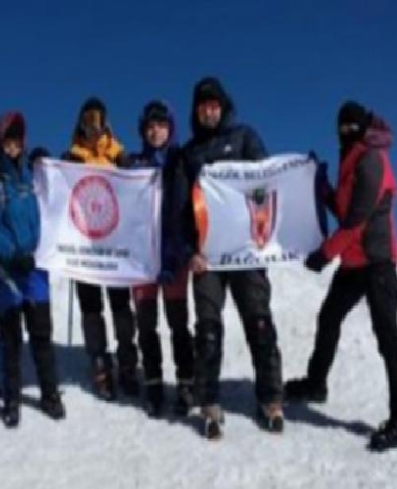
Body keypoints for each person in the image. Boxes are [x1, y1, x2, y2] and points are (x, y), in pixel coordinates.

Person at [285, 101, 397, 452]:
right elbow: (344, 210)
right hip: (354, 263)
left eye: (351, 126)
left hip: (377, 261)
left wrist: (324, 254)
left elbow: (357, 219)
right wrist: (324, 189)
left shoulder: (371, 159)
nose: (345, 131)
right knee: (329, 317)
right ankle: (316, 383)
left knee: (387, 335)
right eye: (341, 127)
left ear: (363, 126)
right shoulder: (350, 159)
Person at [182, 77, 284, 439]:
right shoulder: (189, 153)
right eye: (202, 106)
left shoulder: (244, 138)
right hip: (208, 255)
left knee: (259, 322)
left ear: (223, 107)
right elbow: (181, 208)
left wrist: (262, 233)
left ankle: (271, 398)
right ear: (196, 111)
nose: (209, 112)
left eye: (214, 105)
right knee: (207, 330)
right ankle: (209, 401)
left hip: (245, 251)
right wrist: (190, 251)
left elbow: (266, 180)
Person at [0, 112, 65, 428]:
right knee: (11, 339)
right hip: (7, 273)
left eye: (17, 141)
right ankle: (11, 400)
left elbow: (54, 198)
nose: (12, 147)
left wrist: (47, 165)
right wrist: (12, 255)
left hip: (35, 270)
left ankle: (50, 394)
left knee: (41, 335)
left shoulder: (30, 175)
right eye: (7, 141)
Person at [62, 97, 139, 401]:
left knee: (121, 306)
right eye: (87, 119)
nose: (93, 125)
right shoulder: (72, 157)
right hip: (85, 247)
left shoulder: (119, 156)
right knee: (91, 307)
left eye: (98, 119)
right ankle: (100, 364)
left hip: (114, 246)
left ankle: (127, 362)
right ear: (80, 123)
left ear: (106, 123)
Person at [129, 101, 194, 417]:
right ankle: (153, 382)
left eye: (161, 125)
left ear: (171, 128)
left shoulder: (182, 160)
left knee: (178, 323)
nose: (155, 131)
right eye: (150, 127)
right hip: (142, 259)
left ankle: (186, 382)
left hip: (175, 255)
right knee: (146, 325)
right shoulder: (133, 165)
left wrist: (179, 254)